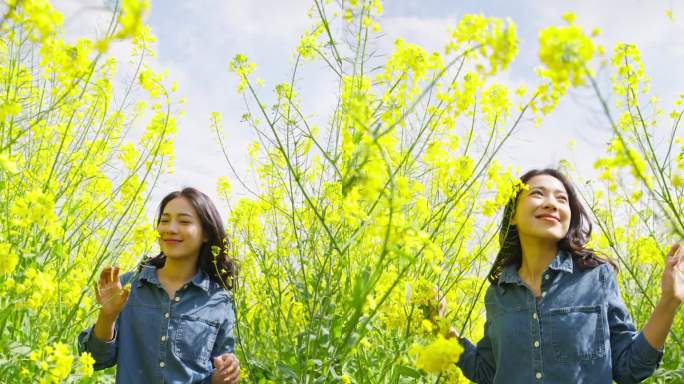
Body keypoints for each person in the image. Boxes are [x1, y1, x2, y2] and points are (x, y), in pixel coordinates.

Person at [451, 168, 683, 383]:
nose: (552, 203)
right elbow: (488, 372)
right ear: (512, 215)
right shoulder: (498, 294)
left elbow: (629, 367)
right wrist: (443, 331)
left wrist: (669, 301)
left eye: (561, 199)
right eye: (538, 194)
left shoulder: (596, 278)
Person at [78, 187, 241, 383]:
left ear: (206, 233)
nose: (170, 229)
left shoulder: (219, 300)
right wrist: (107, 316)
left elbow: (221, 369)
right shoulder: (128, 287)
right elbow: (95, 360)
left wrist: (223, 375)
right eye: (164, 220)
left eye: (184, 221)